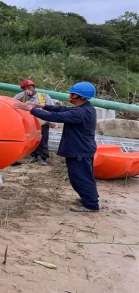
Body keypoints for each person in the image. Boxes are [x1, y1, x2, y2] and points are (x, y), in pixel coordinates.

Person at [14, 82, 99, 212]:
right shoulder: (85, 109)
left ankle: (91, 204)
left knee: (80, 177)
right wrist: (40, 105)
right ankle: (88, 198)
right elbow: (62, 109)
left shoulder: (80, 113)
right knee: (83, 176)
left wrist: (31, 109)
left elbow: (55, 116)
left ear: (78, 96)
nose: (69, 96)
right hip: (81, 149)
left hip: (79, 150)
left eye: (71, 94)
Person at [13, 80, 55, 166]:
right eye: (24, 88)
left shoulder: (44, 96)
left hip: (43, 122)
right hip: (30, 123)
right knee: (32, 140)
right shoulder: (22, 97)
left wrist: (52, 121)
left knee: (43, 140)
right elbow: (12, 101)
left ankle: (43, 158)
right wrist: (23, 94)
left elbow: (52, 108)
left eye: (29, 87)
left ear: (34, 87)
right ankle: (34, 156)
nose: (27, 90)